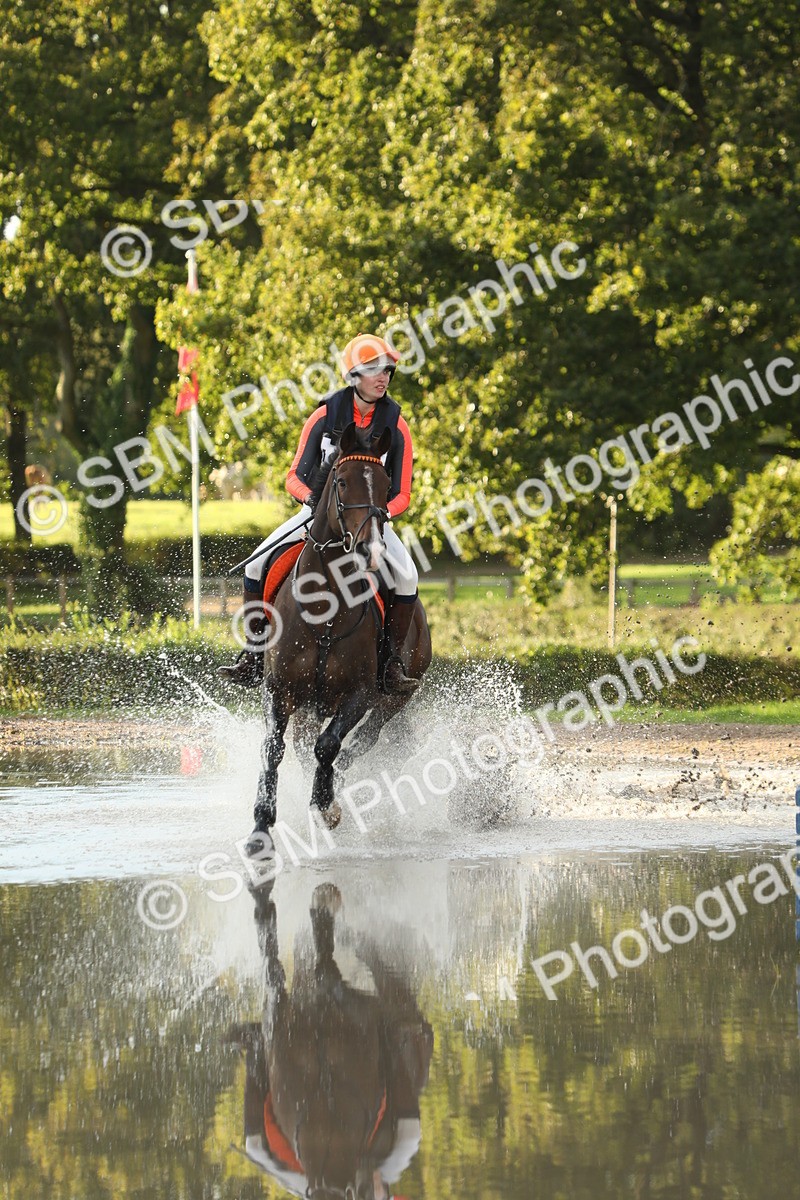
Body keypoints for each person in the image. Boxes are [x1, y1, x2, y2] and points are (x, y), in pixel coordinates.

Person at [219, 333, 420, 694]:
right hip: (317, 516)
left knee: (407, 577)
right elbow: (293, 475)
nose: (384, 377)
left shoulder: (398, 425)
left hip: (371, 522)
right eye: (374, 370)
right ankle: (252, 654)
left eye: (388, 370)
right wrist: (311, 499)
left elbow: (403, 492)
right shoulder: (323, 416)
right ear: (353, 375)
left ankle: (390, 664)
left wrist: (381, 514)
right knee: (254, 564)